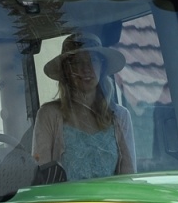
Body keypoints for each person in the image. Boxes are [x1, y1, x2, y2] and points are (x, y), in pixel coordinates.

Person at [33, 35, 134, 180]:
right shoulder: (49, 115)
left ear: (102, 67)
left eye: (93, 60)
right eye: (77, 62)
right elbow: (42, 179)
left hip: (112, 202)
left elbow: (129, 177)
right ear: (67, 71)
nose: (86, 68)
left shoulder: (120, 116)